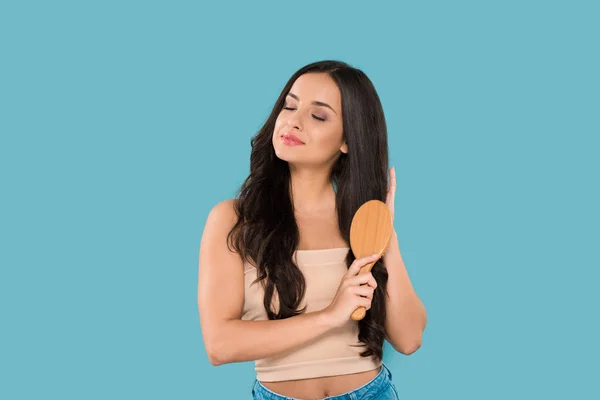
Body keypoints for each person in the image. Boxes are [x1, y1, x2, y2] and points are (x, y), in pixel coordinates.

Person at [198, 60, 427, 399]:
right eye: (289, 106)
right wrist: (330, 315)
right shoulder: (234, 219)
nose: (293, 120)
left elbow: (409, 340)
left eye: (317, 116)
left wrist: (385, 235)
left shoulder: (363, 222)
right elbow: (219, 345)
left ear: (348, 140)